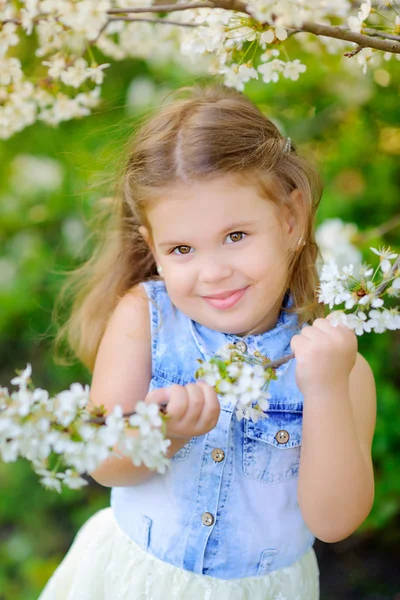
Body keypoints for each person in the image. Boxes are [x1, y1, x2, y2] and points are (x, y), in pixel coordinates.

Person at [39, 84, 376, 600]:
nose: (213, 272)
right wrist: (162, 436)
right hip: (133, 582)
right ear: (153, 246)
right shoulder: (144, 318)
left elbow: (334, 522)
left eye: (236, 236)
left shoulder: (335, 363)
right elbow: (103, 463)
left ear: (291, 218)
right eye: (182, 248)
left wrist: (327, 390)